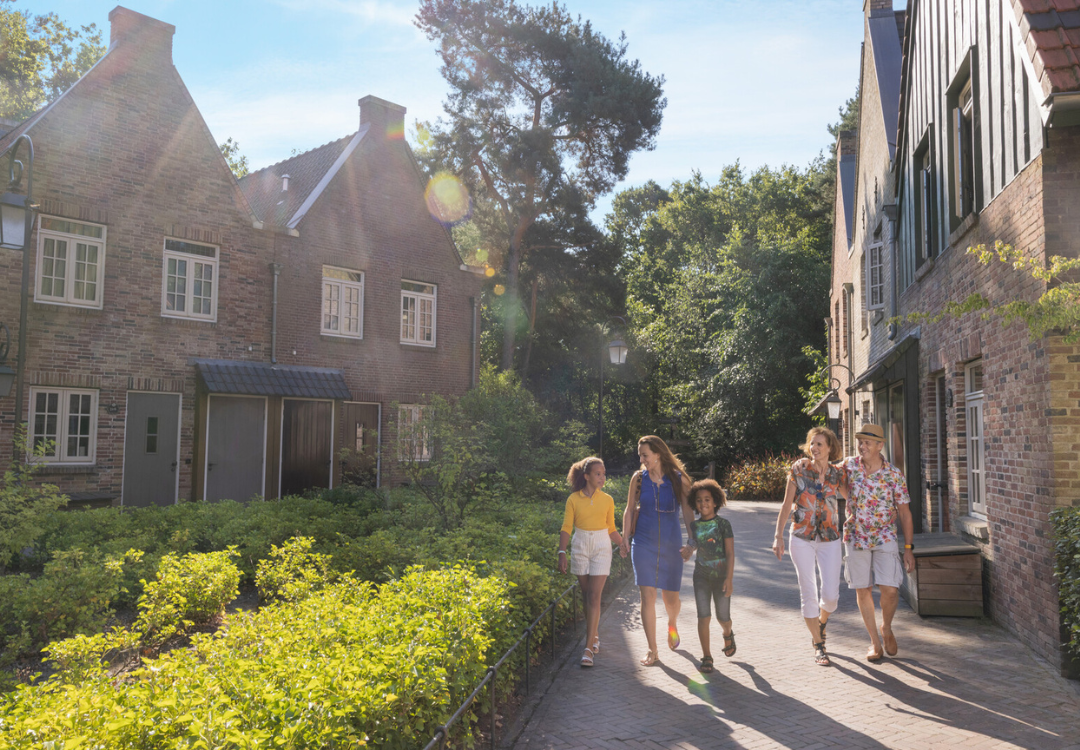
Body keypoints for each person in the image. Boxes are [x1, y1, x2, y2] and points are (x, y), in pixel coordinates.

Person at [772, 427, 847, 666]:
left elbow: (854, 499)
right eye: (812, 444)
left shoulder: (837, 475)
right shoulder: (799, 469)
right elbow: (786, 505)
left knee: (831, 597)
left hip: (830, 538)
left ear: (830, 448)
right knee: (809, 592)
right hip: (801, 537)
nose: (814, 448)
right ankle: (819, 644)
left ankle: (821, 622)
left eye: (820, 444)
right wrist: (778, 536)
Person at [842, 423, 916, 662]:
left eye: (867, 442)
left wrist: (908, 549)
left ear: (880, 446)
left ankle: (886, 627)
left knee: (890, 590)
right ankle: (874, 642)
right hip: (856, 536)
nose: (862, 446)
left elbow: (905, 513)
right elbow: (825, 472)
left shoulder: (894, 474)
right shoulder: (849, 465)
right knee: (862, 588)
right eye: (860, 442)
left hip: (885, 536)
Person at [620, 435, 694, 666]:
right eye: (640, 455)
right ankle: (653, 649)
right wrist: (624, 538)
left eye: (645, 455)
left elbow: (689, 512)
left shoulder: (679, 479)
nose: (642, 459)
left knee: (670, 598)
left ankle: (672, 623)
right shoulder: (638, 478)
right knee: (647, 596)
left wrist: (692, 541)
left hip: (672, 545)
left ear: (658, 454)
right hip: (642, 543)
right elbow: (630, 509)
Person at [557, 456, 623, 667]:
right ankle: (593, 635)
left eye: (604, 474)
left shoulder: (608, 500)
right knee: (586, 596)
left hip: (602, 546)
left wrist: (622, 544)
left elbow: (611, 528)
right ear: (586, 476)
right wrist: (561, 552)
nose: (602, 477)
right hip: (580, 546)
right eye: (598, 473)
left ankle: (587, 649)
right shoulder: (573, 500)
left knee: (594, 595)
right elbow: (567, 527)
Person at [680, 479, 735, 673]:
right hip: (701, 576)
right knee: (703, 617)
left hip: (721, 577)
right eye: (699, 500)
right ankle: (707, 656)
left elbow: (729, 553)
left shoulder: (723, 524)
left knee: (723, 617)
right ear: (694, 504)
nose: (703, 504)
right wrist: (687, 550)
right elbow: (694, 544)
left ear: (715, 501)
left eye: (707, 499)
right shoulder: (694, 526)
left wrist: (729, 578)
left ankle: (728, 633)